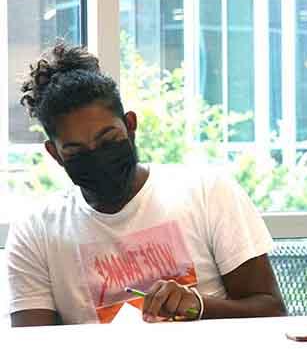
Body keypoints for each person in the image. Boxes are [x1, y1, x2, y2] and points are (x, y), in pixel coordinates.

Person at [7, 42, 286, 326]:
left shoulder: (208, 191)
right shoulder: (36, 233)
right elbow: (31, 340)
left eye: (107, 140)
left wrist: (199, 306)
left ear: (130, 125)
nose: (98, 158)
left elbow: (272, 312)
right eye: (77, 151)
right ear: (55, 154)